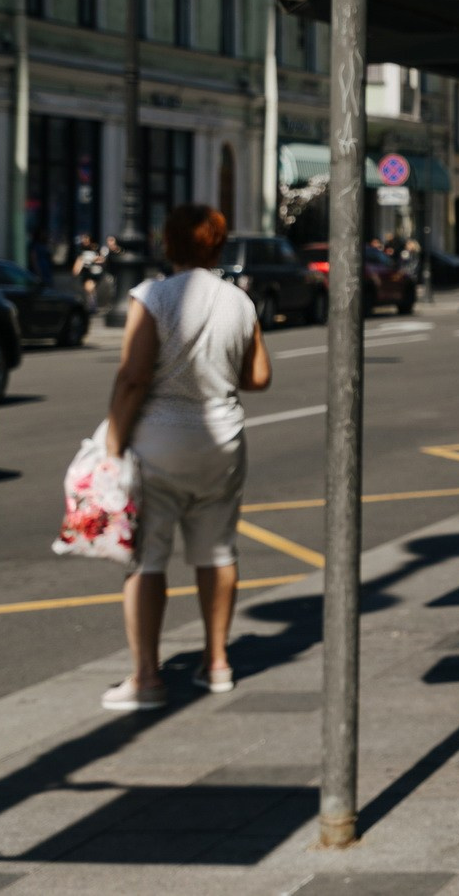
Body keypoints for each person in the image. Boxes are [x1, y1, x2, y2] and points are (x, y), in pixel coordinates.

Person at [98, 204, 271, 711]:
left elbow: (133, 377)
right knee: (217, 551)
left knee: (147, 558)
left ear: (167, 244)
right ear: (218, 245)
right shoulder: (240, 301)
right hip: (222, 439)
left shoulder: (151, 296)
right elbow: (258, 377)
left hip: (159, 441)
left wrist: (113, 444)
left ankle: (147, 678)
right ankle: (217, 663)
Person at [72, 234, 105, 313]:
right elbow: (79, 261)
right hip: (86, 273)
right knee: (89, 289)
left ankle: (92, 306)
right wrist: (76, 270)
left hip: (96, 272)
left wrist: (95, 260)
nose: (84, 240)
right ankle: (92, 306)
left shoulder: (97, 248)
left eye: (86, 238)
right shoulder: (81, 250)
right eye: (83, 239)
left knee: (91, 289)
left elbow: (102, 260)